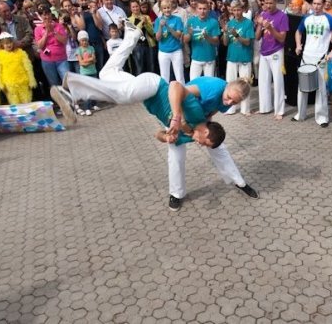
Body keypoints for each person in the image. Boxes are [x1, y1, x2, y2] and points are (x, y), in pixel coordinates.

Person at [51, 25, 256, 212]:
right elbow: (177, 86)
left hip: (160, 105)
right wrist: (177, 117)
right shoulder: (208, 93)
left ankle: (131, 34)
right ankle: (73, 88)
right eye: (230, 98)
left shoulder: (202, 122)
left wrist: (167, 136)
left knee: (108, 75)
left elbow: (163, 132)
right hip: (155, 86)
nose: (229, 103)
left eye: (233, 102)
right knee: (123, 96)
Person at [293, 0, 332, 127]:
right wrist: (298, 45)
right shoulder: (306, 18)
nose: (316, 6)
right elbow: (298, 32)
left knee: (321, 88)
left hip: (321, 58)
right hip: (306, 56)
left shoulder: (329, 19)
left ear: (324, 5)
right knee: (302, 87)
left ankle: (322, 117)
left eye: (319, 4)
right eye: (314, 3)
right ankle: (300, 114)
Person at [256, 0, 289, 120]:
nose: (268, 5)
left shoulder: (282, 16)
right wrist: (259, 24)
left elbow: (282, 38)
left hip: (276, 51)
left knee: (278, 81)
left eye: (271, 3)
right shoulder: (263, 14)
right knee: (263, 81)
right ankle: (264, 107)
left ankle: (279, 110)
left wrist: (270, 28)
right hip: (264, 51)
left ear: (276, 2)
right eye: (266, 3)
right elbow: (258, 37)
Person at [223, 0, 254, 115]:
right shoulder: (230, 23)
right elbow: (225, 43)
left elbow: (247, 42)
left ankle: (245, 109)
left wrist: (237, 35)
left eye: (238, 9)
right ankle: (230, 108)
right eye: (234, 10)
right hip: (232, 57)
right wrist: (226, 32)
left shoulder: (248, 23)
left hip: (245, 57)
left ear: (242, 9)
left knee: (245, 83)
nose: (236, 12)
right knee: (230, 83)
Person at [0, 32, 37, 105]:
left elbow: (28, 68)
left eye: (10, 42)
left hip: (23, 82)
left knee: (26, 101)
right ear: (2, 45)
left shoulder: (21, 53)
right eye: (6, 43)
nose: (9, 45)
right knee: (14, 103)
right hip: (9, 85)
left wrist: (31, 80)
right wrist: (1, 84)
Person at [185, 0, 221, 79]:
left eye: (204, 9)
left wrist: (207, 37)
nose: (202, 11)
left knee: (209, 85)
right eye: (200, 8)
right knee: (193, 83)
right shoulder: (191, 21)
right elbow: (185, 40)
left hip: (210, 59)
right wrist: (190, 34)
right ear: (196, 9)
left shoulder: (213, 22)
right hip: (196, 58)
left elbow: (216, 42)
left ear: (208, 9)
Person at [34, 8, 69, 89]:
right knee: (54, 84)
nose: (46, 17)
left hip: (61, 59)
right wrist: (46, 32)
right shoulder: (37, 29)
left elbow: (64, 41)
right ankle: (58, 101)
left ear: (51, 14)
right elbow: (39, 46)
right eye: (44, 15)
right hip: (47, 61)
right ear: (41, 16)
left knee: (67, 82)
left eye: (48, 14)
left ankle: (70, 99)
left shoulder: (59, 26)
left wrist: (53, 31)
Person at [155, 0, 186, 83]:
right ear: (161, 10)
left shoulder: (177, 19)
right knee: (164, 77)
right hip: (163, 52)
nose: (167, 10)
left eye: (168, 7)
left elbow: (178, 35)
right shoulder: (158, 20)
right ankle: (166, 94)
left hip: (176, 51)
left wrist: (168, 26)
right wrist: (161, 27)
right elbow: (158, 38)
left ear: (171, 8)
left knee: (179, 76)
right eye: (164, 8)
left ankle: (182, 94)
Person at [128, 0, 156, 75]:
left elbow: (152, 32)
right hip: (137, 46)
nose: (135, 8)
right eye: (133, 7)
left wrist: (146, 24)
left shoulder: (146, 17)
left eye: (137, 6)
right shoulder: (128, 20)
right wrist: (141, 23)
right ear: (130, 8)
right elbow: (134, 33)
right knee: (139, 69)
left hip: (149, 45)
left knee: (151, 68)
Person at [75, 30, 98, 115]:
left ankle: (93, 104)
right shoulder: (79, 50)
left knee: (94, 89)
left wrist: (86, 60)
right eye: (82, 40)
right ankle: (87, 108)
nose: (84, 42)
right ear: (79, 41)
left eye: (85, 40)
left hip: (93, 71)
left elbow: (94, 59)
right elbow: (81, 63)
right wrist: (90, 60)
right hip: (85, 73)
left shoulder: (91, 48)